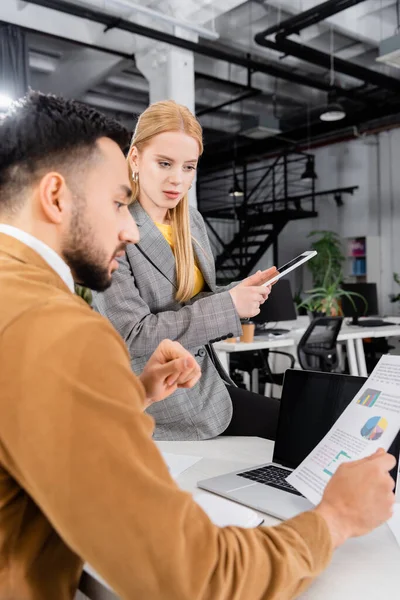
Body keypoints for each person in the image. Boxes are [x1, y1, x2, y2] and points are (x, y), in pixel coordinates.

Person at [0, 91, 396, 600]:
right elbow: (196, 576)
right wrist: (335, 519)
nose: (128, 228)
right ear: (56, 197)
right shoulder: (63, 330)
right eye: (119, 202)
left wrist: (128, 397)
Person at [93, 100, 281, 441]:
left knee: (300, 421)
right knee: (292, 425)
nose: (177, 180)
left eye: (188, 167)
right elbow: (135, 337)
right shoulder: (111, 229)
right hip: (161, 401)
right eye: (164, 163)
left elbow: (192, 302)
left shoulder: (191, 222)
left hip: (208, 381)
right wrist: (229, 306)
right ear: (135, 158)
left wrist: (237, 291)